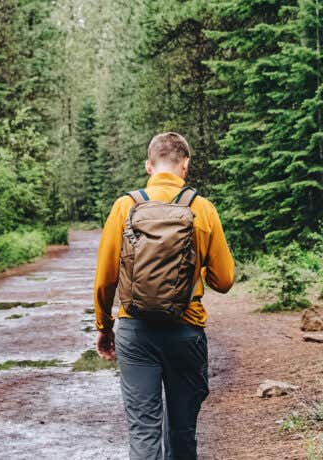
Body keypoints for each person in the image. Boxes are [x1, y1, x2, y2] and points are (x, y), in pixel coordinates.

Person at [93, 132, 235, 459]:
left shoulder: (124, 207)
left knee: (144, 432)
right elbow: (225, 280)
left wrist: (104, 327)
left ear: (148, 166)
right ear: (185, 166)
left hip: (136, 331)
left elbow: (105, 280)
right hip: (186, 331)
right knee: (182, 432)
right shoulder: (202, 207)